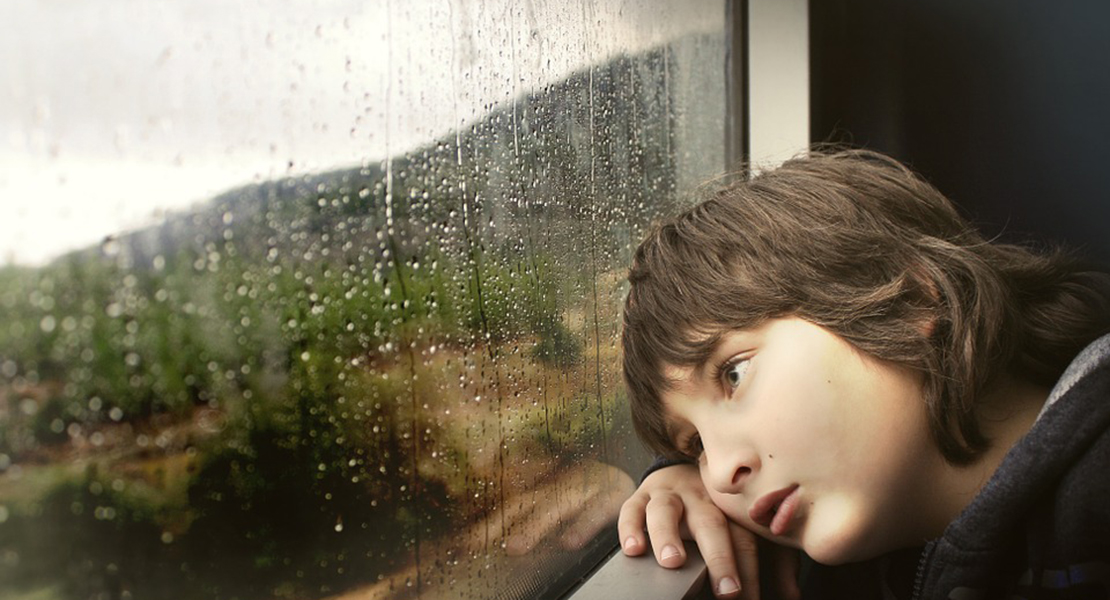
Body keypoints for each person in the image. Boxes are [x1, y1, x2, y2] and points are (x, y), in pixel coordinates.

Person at [615, 149, 1110, 599]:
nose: (721, 473)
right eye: (696, 445)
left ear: (909, 297)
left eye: (735, 375)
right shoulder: (863, 554)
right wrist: (675, 480)